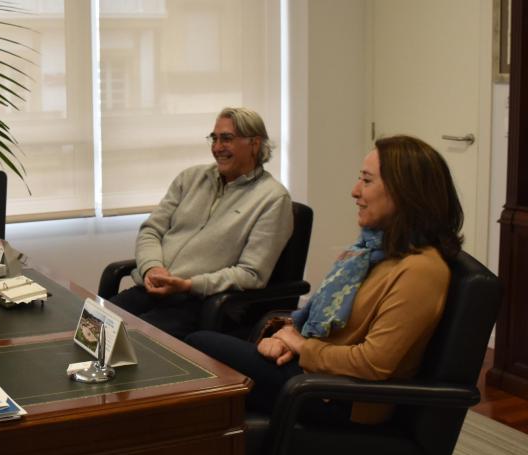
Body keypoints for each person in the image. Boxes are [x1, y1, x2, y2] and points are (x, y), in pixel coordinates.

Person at [185, 135, 463, 425]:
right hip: (315, 375)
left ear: (405, 193)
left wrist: (301, 347)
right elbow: (330, 322)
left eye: (367, 181)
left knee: (198, 348)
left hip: (341, 397)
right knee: (199, 352)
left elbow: (373, 363)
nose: (355, 191)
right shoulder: (372, 251)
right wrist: (284, 338)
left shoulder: (421, 270)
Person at [110, 107, 293, 340]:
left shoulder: (273, 199)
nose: (217, 148)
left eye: (226, 139)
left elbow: (251, 274)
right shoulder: (190, 178)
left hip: (203, 303)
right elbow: (151, 230)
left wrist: (188, 284)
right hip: (152, 289)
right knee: (91, 327)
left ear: (254, 144)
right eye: (214, 138)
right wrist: (152, 267)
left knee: (130, 342)